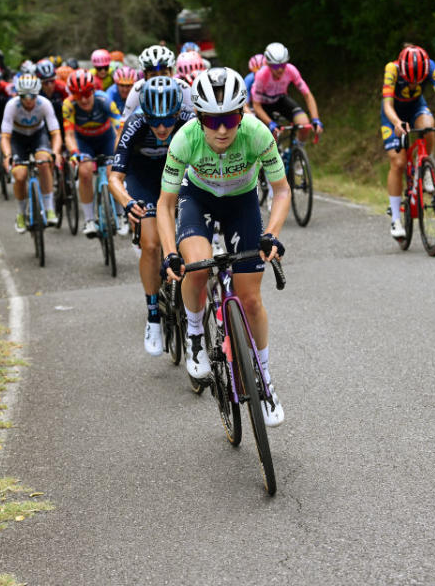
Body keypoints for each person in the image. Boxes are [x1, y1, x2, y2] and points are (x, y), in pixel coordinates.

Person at [156, 67, 289, 427]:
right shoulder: (184, 139)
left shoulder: (258, 133)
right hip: (197, 198)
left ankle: (264, 381)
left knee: (250, 299)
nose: (222, 129)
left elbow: (281, 191)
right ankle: (196, 334)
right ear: (198, 117)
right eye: (212, 120)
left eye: (231, 117)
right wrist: (170, 252)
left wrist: (272, 233)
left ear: (242, 113)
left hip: (242, 202)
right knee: (197, 266)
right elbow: (165, 205)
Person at [110, 77, 194, 355]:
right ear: (144, 114)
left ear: (177, 113)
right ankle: (153, 317)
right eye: (154, 121)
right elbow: (114, 177)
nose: (161, 127)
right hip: (142, 177)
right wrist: (127, 201)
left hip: (176, 171)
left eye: (168, 121)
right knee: (150, 243)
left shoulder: (189, 118)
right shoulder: (134, 123)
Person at [380, 44, 435, 238]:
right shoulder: (391, 69)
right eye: (409, 81)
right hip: (393, 113)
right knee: (398, 162)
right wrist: (397, 122)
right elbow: (387, 104)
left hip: (416, 107)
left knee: (428, 126)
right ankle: (395, 220)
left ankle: (425, 168)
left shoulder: (431, 66)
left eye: (417, 82)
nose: (412, 85)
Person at [61, 69, 121, 237]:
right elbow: (69, 134)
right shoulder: (68, 105)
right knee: (85, 172)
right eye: (78, 95)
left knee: (113, 172)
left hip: (107, 139)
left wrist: (120, 149)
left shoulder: (105, 100)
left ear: (93, 90)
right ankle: (89, 220)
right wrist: (74, 152)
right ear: (72, 95)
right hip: (84, 142)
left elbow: (120, 128)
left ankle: (120, 214)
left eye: (87, 93)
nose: (84, 99)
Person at [1, 74, 63, 231]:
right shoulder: (12, 106)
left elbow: (55, 133)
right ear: (18, 95)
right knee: (20, 175)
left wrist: (55, 153)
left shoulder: (44, 104)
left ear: (37, 94)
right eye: (24, 96)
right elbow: (5, 137)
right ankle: (21, 213)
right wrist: (7, 155)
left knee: (44, 161)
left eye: (32, 95)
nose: (28, 99)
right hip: (18, 139)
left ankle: (49, 209)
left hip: (38, 135)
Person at [251, 42, 323, 144]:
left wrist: (316, 119)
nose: (280, 69)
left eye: (283, 65)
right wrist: (270, 123)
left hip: (280, 100)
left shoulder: (291, 70)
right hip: (263, 105)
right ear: (268, 65)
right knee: (269, 137)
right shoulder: (262, 75)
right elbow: (256, 106)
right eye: (276, 66)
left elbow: (307, 95)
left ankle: (296, 152)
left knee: (304, 124)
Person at [122, 45, 193, 120]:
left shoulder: (183, 87)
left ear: (171, 73)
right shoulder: (137, 89)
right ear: (145, 76)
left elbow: (195, 121)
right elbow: (124, 120)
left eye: (164, 73)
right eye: (153, 75)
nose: (159, 80)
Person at [36, 58, 67, 128]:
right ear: (39, 82)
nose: (50, 86)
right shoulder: (35, 91)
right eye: (45, 82)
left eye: (52, 81)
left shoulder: (62, 87)